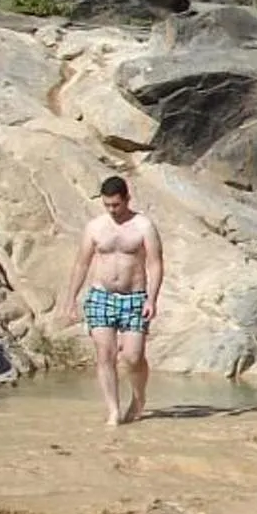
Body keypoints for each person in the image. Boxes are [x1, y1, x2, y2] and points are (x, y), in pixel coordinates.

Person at [58, 174, 165, 426]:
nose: (112, 210)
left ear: (127, 199)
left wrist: (152, 299)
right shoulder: (95, 227)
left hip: (134, 297)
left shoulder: (144, 226)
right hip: (100, 296)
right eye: (107, 205)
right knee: (104, 354)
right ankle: (113, 411)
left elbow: (155, 264)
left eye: (116, 204)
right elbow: (82, 263)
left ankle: (138, 398)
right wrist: (71, 299)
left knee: (133, 357)